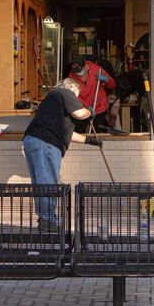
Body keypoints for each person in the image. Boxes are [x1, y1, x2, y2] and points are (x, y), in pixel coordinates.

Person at [23, 77, 100, 229]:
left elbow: (65, 133)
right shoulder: (64, 92)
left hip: (33, 140)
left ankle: (44, 218)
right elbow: (79, 114)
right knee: (48, 182)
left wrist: (88, 140)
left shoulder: (53, 101)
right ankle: (48, 220)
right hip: (46, 143)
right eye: (76, 95)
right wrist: (89, 111)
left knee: (40, 183)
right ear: (71, 88)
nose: (76, 99)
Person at [69, 57, 116, 131]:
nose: (77, 73)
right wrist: (87, 106)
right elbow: (75, 95)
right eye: (76, 71)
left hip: (100, 107)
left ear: (85, 66)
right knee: (79, 130)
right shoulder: (72, 76)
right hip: (83, 108)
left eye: (79, 70)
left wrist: (106, 79)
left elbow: (113, 85)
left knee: (96, 131)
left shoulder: (98, 70)